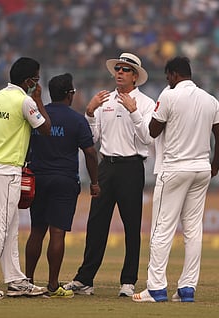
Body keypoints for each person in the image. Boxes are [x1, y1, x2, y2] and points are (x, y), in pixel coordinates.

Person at [133, 56, 219, 303]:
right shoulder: (210, 99)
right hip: (201, 169)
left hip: (174, 168)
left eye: (168, 77)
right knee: (193, 231)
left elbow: (152, 132)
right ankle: (187, 288)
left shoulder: (169, 96)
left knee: (162, 228)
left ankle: (156, 288)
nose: (168, 81)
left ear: (174, 75)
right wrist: (214, 166)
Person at [64, 52, 155, 297]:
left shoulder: (145, 103)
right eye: (118, 69)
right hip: (106, 166)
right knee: (96, 224)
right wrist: (90, 113)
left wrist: (134, 112)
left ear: (135, 76)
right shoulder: (104, 99)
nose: (119, 73)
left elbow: (147, 138)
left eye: (125, 70)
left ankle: (128, 282)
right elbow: (93, 139)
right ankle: (85, 280)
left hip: (131, 167)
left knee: (131, 226)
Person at [0, 57, 51, 300]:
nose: (37, 83)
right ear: (28, 81)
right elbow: (46, 129)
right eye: (36, 79)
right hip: (8, 169)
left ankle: (15, 280)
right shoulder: (25, 101)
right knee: (1, 226)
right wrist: (38, 99)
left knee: (10, 225)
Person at [24, 73, 100, 298]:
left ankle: (27, 281)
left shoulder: (37, 115)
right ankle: (52, 285)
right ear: (70, 94)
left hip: (38, 177)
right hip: (64, 181)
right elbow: (90, 153)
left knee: (36, 231)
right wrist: (94, 182)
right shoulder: (77, 120)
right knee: (57, 233)